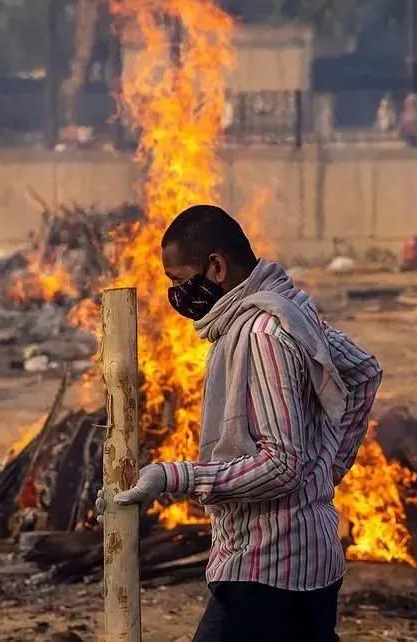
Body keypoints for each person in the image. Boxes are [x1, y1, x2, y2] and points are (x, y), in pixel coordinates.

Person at [101, 204, 382, 642]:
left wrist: (173, 477)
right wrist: (327, 465)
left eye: (178, 280)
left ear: (216, 266)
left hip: (269, 564)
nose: (177, 294)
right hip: (309, 557)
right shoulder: (289, 308)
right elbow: (364, 371)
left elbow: (282, 465)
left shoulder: (261, 334)